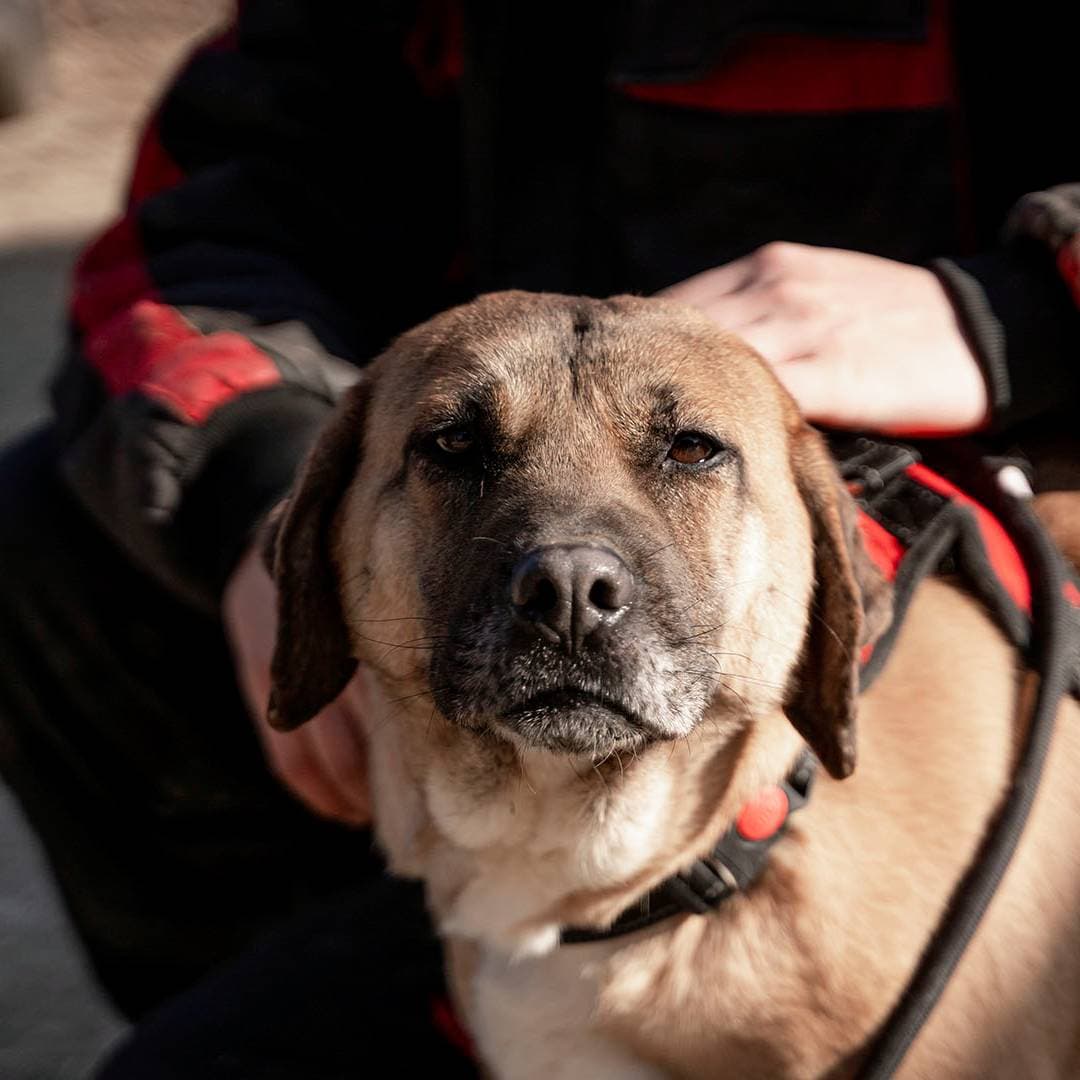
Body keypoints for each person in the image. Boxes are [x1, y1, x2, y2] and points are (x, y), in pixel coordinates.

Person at [1, 0, 1077, 1074]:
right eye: (460, 449)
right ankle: (333, 957)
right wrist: (264, 496)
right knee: (48, 523)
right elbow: (197, 228)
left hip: (1009, 479)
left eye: (689, 453)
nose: (574, 579)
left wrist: (1018, 316)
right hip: (467, 778)